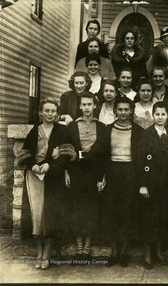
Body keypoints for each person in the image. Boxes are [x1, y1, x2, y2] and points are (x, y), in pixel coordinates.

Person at [17, 99, 69, 270]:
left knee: (51, 215)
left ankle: (47, 253)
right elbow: (25, 153)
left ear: (57, 113)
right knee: (37, 215)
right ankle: (38, 252)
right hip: (34, 177)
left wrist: (51, 164)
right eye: (46, 110)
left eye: (53, 111)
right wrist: (33, 165)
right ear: (40, 112)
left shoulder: (62, 131)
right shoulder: (34, 131)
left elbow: (67, 154)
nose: (49, 114)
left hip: (53, 177)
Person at [64, 92, 107, 265]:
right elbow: (66, 150)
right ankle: (79, 246)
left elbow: (104, 154)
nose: (87, 108)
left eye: (90, 104)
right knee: (77, 208)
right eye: (84, 105)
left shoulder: (102, 127)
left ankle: (87, 247)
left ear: (95, 106)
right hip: (76, 171)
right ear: (80, 106)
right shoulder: (72, 127)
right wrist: (66, 171)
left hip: (94, 172)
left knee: (91, 209)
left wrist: (102, 176)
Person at [102, 96, 143, 268]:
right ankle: (114, 252)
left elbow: (141, 158)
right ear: (115, 111)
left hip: (130, 173)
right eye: (120, 109)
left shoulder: (139, 131)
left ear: (131, 111)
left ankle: (124, 252)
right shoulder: (107, 129)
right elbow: (102, 155)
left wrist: (140, 180)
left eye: (127, 110)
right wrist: (102, 176)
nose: (123, 113)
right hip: (112, 172)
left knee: (128, 212)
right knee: (112, 212)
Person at [137, 101, 168, 269]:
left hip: (165, 182)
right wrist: (143, 184)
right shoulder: (146, 134)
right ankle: (147, 254)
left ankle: (158, 251)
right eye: (157, 114)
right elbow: (140, 159)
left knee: (162, 217)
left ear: (167, 115)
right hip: (150, 181)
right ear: (153, 115)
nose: (160, 117)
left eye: (163, 114)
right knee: (148, 217)